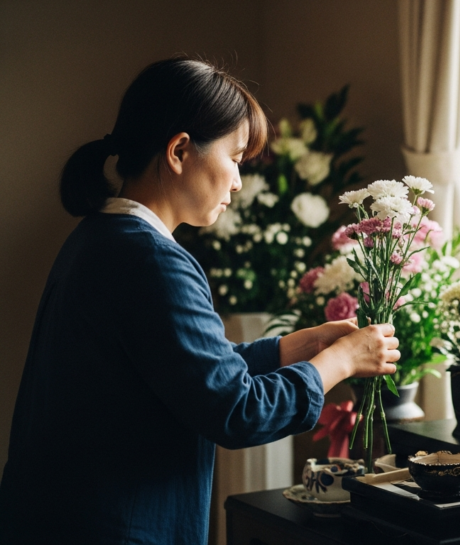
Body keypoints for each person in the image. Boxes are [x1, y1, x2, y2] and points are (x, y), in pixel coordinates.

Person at [0, 57, 399, 544]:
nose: (237, 181)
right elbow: (235, 410)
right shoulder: (152, 260)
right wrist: (341, 361)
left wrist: (298, 346)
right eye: (234, 158)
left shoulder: (100, 237)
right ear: (180, 151)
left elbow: (184, 372)